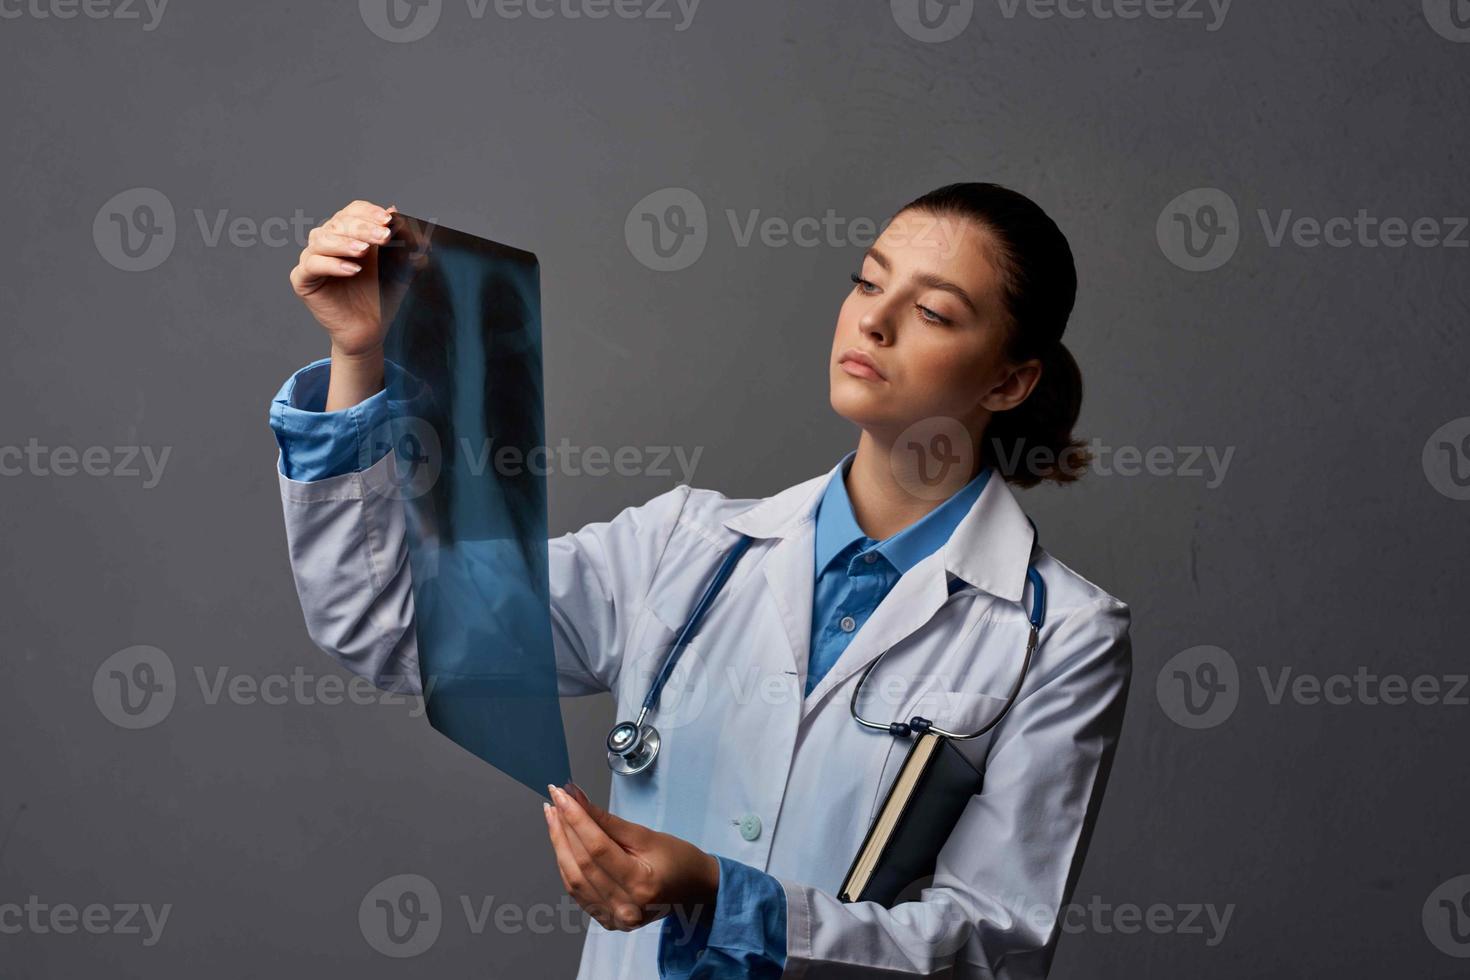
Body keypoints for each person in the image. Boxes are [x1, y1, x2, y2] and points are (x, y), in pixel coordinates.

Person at [269, 182, 1132, 979]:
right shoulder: (683, 543)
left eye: (935, 312)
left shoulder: (1062, 634)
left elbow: (994, 947)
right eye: (868, 284)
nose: (875, 323)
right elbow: (394, 626)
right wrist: (360, 357)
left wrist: (725, 898)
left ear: (1011, 380)